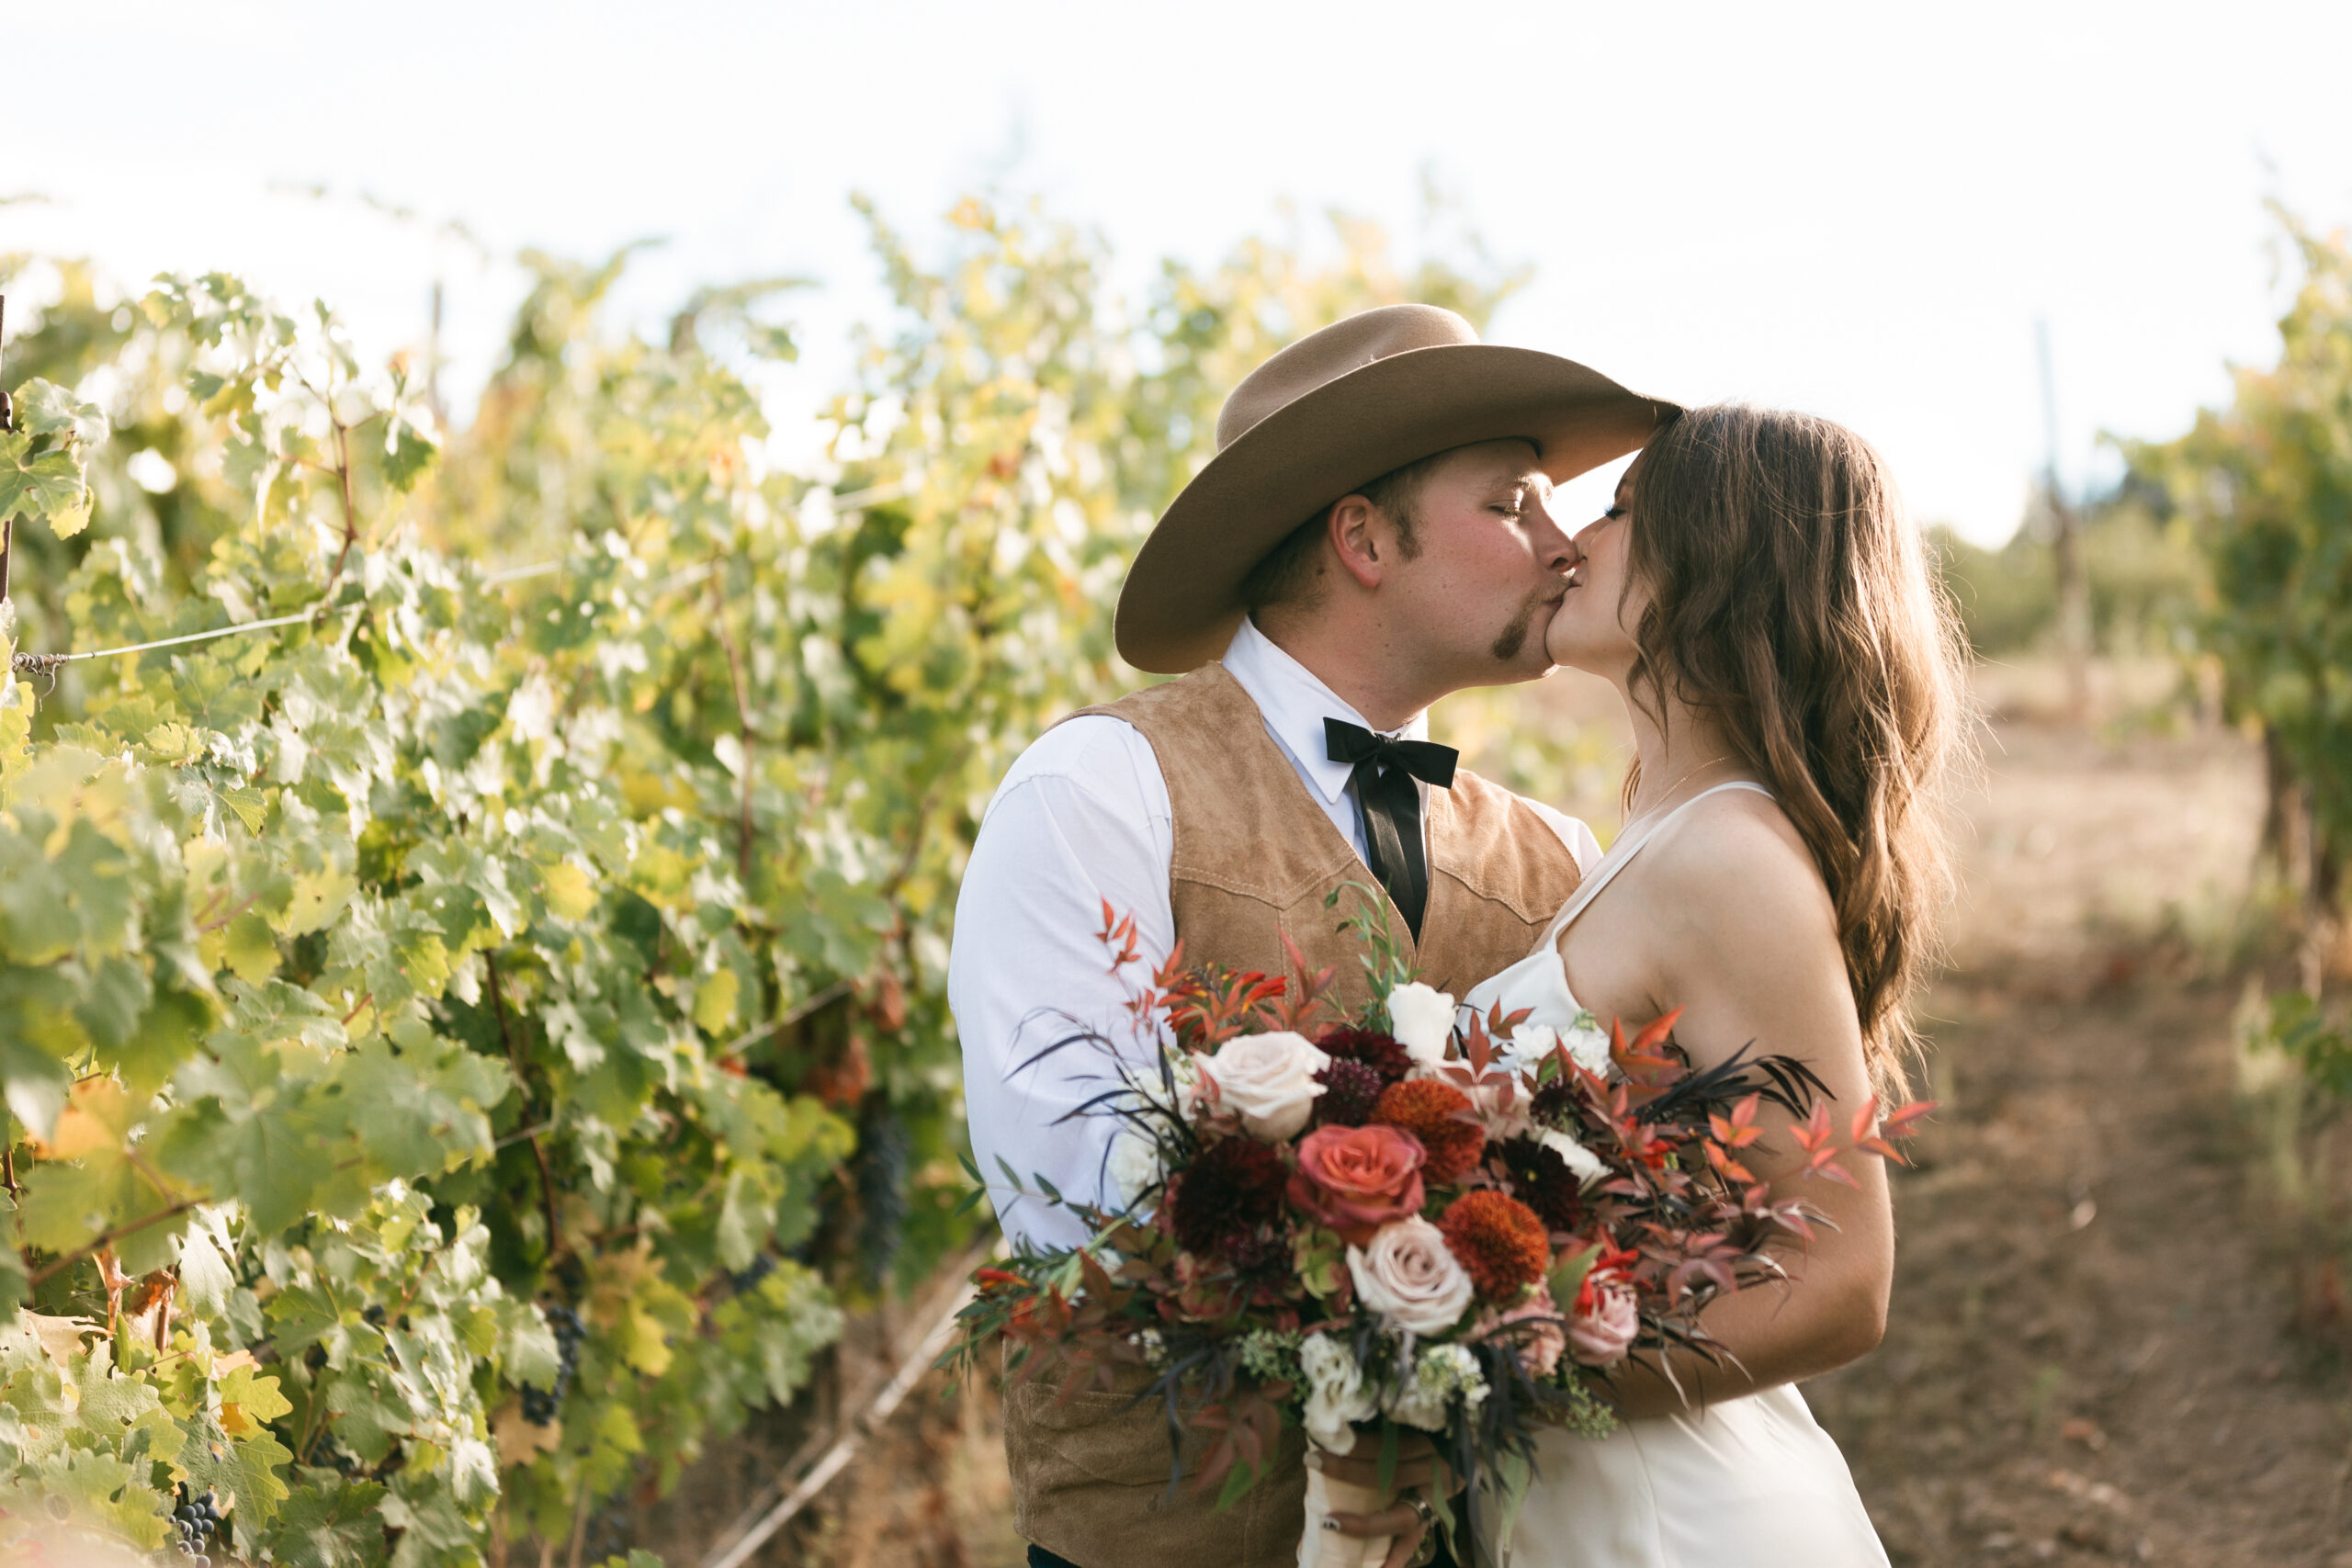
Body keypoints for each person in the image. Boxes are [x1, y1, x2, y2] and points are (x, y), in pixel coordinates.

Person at [949, 303, 1673, 1568]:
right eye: (1513, 502)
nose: (1565, 545)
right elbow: (1065, 1178)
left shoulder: (1558, 853)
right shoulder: (1101, 788)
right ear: (1362, 537)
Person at [1463, 403, 1967, 1566]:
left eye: (1625, 510)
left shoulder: (1728, 858)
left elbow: (1845, 1280)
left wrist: (1508, 1373)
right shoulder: (1654, 839)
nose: (1578, 536)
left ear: (1722, 562)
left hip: (1680, 1525)